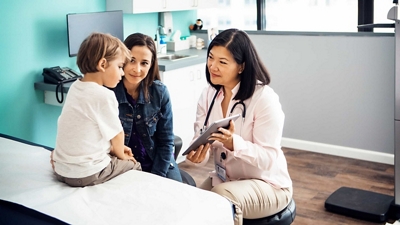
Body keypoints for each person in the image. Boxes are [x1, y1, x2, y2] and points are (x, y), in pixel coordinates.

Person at [185, 28, 293, 225]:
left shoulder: (264, 99)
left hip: (269, 184)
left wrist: (233, 143)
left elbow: (269, 158)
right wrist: (199, 155)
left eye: (222, 62)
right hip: (227, 180)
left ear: (241, 67)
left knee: (220, 198)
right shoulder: (208, 95)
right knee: (192, 204)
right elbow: (201, 140)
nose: (212, 66)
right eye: (211, 58)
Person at [52, 32, 142, 187]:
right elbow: (118, 134)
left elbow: (86, 134)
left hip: (62, 170)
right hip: (86, 173)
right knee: (135, 166)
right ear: (103, 64)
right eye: (120, 67)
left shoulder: (75, 87)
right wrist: (121, 154)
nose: (122, 73)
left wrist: (114, 149)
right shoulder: (104, 95)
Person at [112, 33, 182, 182]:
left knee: (178, 197)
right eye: (132, 60)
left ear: (151, 65)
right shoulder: (108, 92)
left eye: (144, 63)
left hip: (157, 161)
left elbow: (166, 142)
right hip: (123, 164)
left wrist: (156, 177)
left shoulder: (160, 92)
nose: (137, 69)